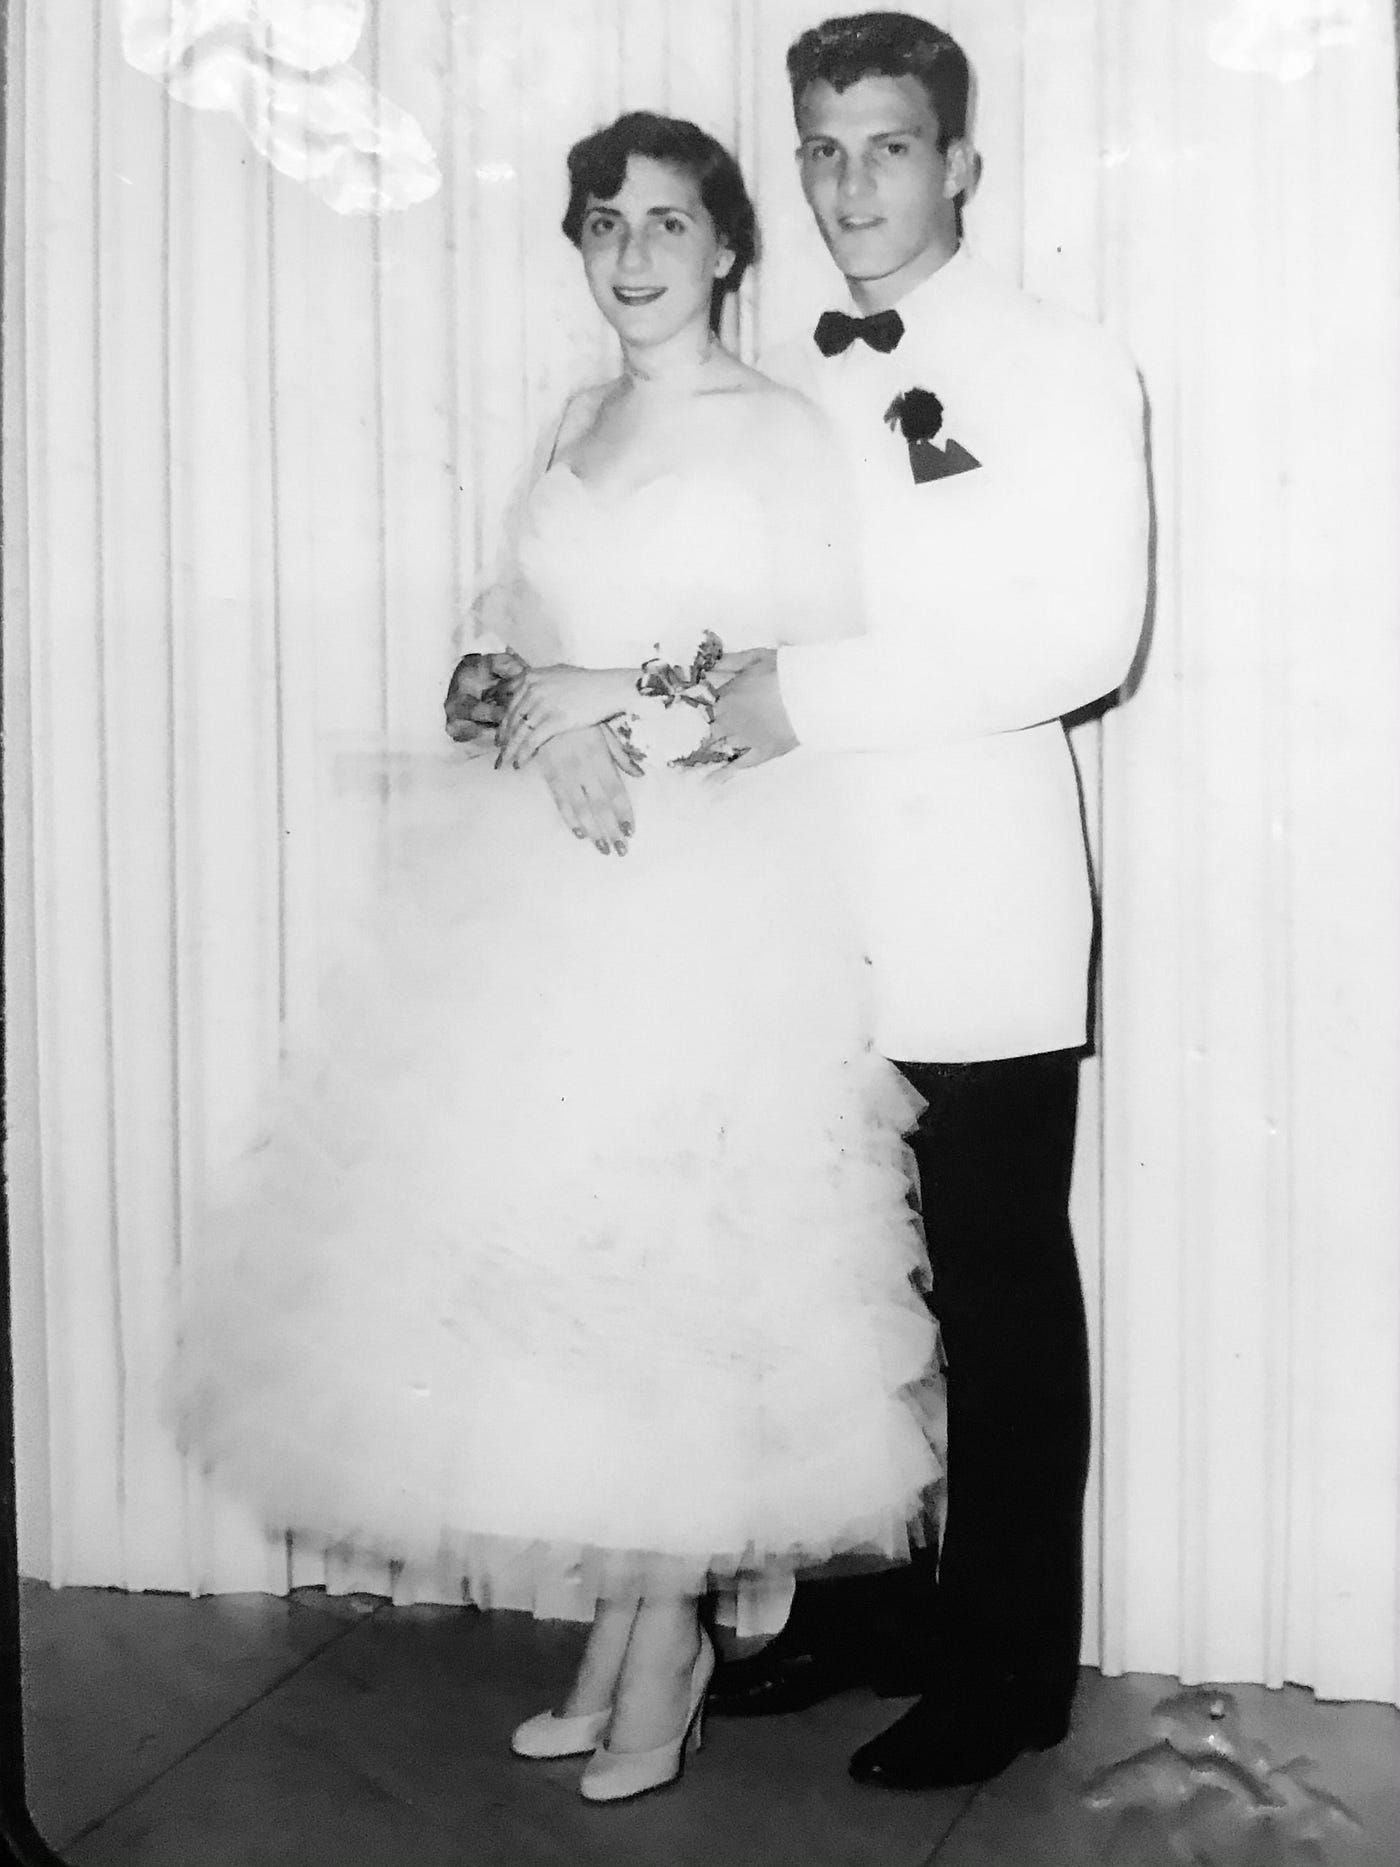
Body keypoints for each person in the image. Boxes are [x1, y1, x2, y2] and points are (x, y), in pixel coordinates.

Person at [171, 110, 943, 1808]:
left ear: (729, 248)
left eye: (671, 222)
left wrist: (620, 725)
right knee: (555, 1274)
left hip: (701, 891)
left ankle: (667, 1649)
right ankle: (614, 1633)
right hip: (543, 884)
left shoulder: (775, 431)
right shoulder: (577, 417)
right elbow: (501, 635)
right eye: (606, 221)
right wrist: (513, 707)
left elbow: (800, 667)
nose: (635, 251)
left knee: (658, 1273)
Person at [702, 13, 1150, 1791]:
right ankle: (869, 1606)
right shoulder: (774, 383)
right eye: (820, 147)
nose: (847, 182)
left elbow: (1075, 641)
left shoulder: (1061, 359)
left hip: (979, 903)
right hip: (802, 903)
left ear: (959, 161)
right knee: (834, 1281)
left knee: (994, 1294)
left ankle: (1009, 1665)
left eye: (884, 144)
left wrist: (801, 698)